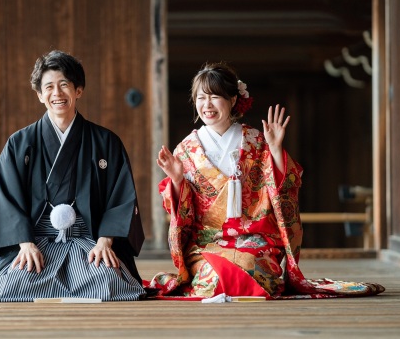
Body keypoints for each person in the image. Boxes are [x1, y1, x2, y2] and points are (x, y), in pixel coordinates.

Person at [149, 62, 383, 299]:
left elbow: (282, 188)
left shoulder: (256, 141)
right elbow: (180, 213)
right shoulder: (186, 150)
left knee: (253, 268)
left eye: (215, 97)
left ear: (232, 100)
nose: (207, 105)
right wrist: (177, 180)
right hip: (206, 243)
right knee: (215, 279)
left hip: (253, 238)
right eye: (200, 98)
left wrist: (275, 148)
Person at [0, 50, 146, 302]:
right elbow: (7, 198)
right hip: (36, 243)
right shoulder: (20, 143)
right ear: (39, 95)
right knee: (11, 287)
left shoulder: (105, 142)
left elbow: (121, 198)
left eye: (64, 84)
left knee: (109, 283)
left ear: (78, 90)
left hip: (89, 242)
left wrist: (105, 241)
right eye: (49, 87)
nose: (57, 93)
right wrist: (25, 244)